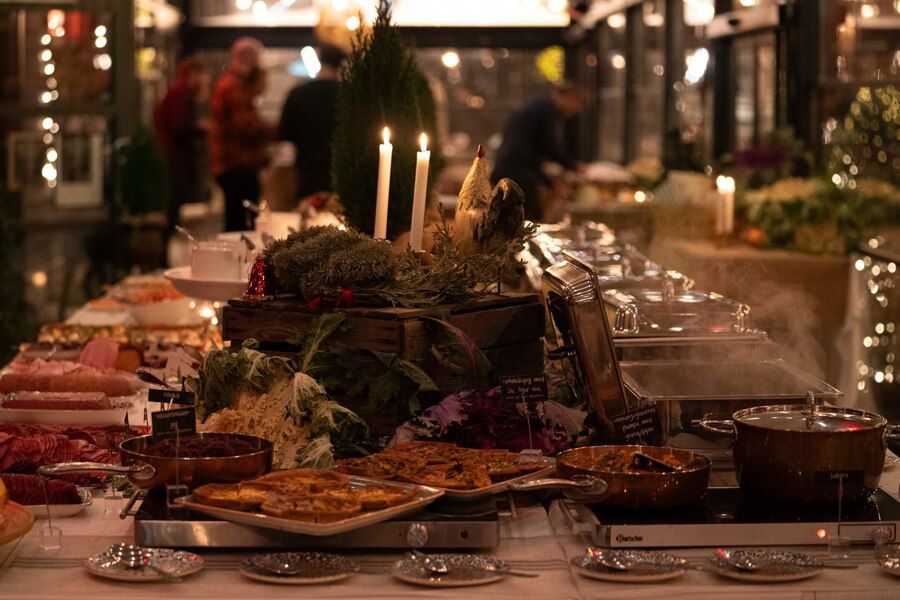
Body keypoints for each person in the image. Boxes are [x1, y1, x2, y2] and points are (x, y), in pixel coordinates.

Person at [491, 82, 584, 221]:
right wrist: (551, 181)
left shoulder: (541, 109)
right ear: (570, 97)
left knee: (509, 222)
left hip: (510, 171)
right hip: (516, 174)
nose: (576, 111)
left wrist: (570, 167)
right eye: (578, 105)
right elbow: (541, 149)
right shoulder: (546, 111)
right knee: (527, 221)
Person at [209, 37, 275, 231]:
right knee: (242, 225)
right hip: (237, 165)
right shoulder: (235, 87)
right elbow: (246, 127)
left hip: (231, 164)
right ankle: (243, 261)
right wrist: (278, 129)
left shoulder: (228, 84)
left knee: (236, 220)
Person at [276, 43, 347, 201]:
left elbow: (284, 136)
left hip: (307, 176)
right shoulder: (349, 94)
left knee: (308, 222)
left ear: (320, 61)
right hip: (343, 177)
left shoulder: (298, 94)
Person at [153, 57, 211, 231]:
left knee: (176, 203)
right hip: (177, 157)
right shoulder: (179, 94)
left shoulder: (178, 93)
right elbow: (179, 125)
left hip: (176, 156)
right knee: (176, 203)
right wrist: (200, 127)